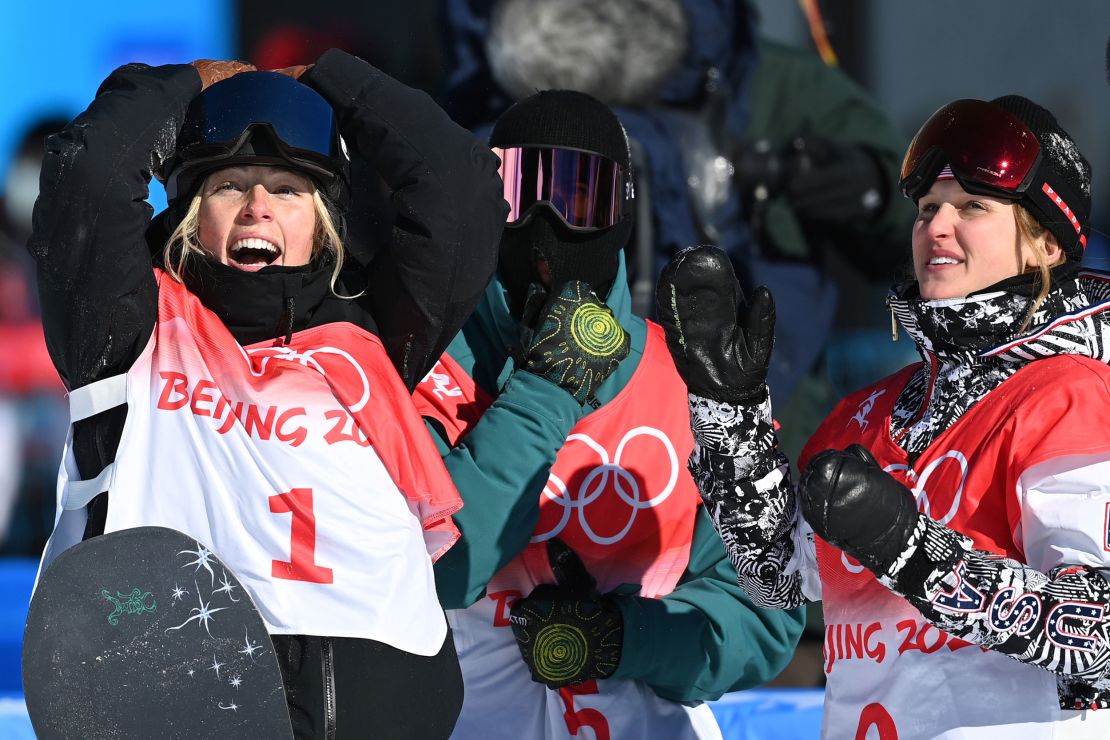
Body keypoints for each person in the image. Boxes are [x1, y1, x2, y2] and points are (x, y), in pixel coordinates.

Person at [28, 51, 507, 739]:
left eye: (287, 189)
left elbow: (460, 194)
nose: (258, 206)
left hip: (379, 684)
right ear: (193, 214)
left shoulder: (371, 335)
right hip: (183, 674)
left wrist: (332, 79)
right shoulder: (128, 327)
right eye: (230, 186)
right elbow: (91, 177)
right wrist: (190, 80)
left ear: (321, 222)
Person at [657, 94, 1110, 738]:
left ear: (1044, 244)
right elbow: (785, 584)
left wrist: (913, 552)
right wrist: (727, 416)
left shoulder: (1073, 393)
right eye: (928, 209)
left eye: (973, 206)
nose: (937, 228)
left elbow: (1101, 635)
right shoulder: (864, 414)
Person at [413, 89, 804, 739]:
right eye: (518, 189)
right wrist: (544, 389)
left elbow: (767, 613)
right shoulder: (424, 370)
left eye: (578, 193)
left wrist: (625, 638)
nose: (545, 219)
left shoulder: (678, 381)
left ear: (620, 213)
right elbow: (440, 567)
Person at [438, 0, 918, 459]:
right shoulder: (487, 76)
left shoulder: (763, 81)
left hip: (762, 433)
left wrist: (869, 187)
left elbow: (926, 226)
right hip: (527, 421)